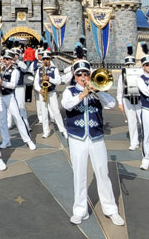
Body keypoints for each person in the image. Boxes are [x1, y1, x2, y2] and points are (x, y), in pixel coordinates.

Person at [61, 59, 125, 227]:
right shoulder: (70, 91)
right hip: (77, 138)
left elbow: (111, 104)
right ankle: (79, 210)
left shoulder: (99, 90)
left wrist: (98, 91)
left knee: (102, 172)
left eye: (86, 74)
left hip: (96, 137)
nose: (83, 77)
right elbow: (66, 105)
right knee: (79, 174)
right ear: (74, 76)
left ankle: (110, 209)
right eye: (79, 74)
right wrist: (83, 94)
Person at [0, 50, 36, 151]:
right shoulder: (1, 68)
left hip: (9, 95)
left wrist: (2, 82)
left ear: (12, 60)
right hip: (0, 96)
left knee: (17, 117)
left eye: (7, 59)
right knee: (2, 120)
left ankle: (28, 140)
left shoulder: (15, 70)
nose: (5, 61)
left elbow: (13, 85)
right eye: (4, 59)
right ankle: (6, 140)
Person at [33, 51, 67, 139]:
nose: (45, 61)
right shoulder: (39, 70)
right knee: (44, 113)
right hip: (42, 93)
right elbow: (35, 83)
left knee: (56, 112)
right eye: (44, 59)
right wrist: (39, 90)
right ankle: (46, 131)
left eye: (47, 59)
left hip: (52, 92)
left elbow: (58, 81)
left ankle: (62, 130)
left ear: (50, 59)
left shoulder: (54, 69)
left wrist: (49, 79)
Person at [116, 50, 142, 151]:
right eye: (128, 65)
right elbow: (120, 90)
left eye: (131, 64)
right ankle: (134, 142)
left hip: (139, 99)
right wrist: (120, 103)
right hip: (127, 100)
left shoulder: (139, 73)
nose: (130, 66)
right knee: (132, 122)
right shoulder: (122, 75)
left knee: (143, 121)